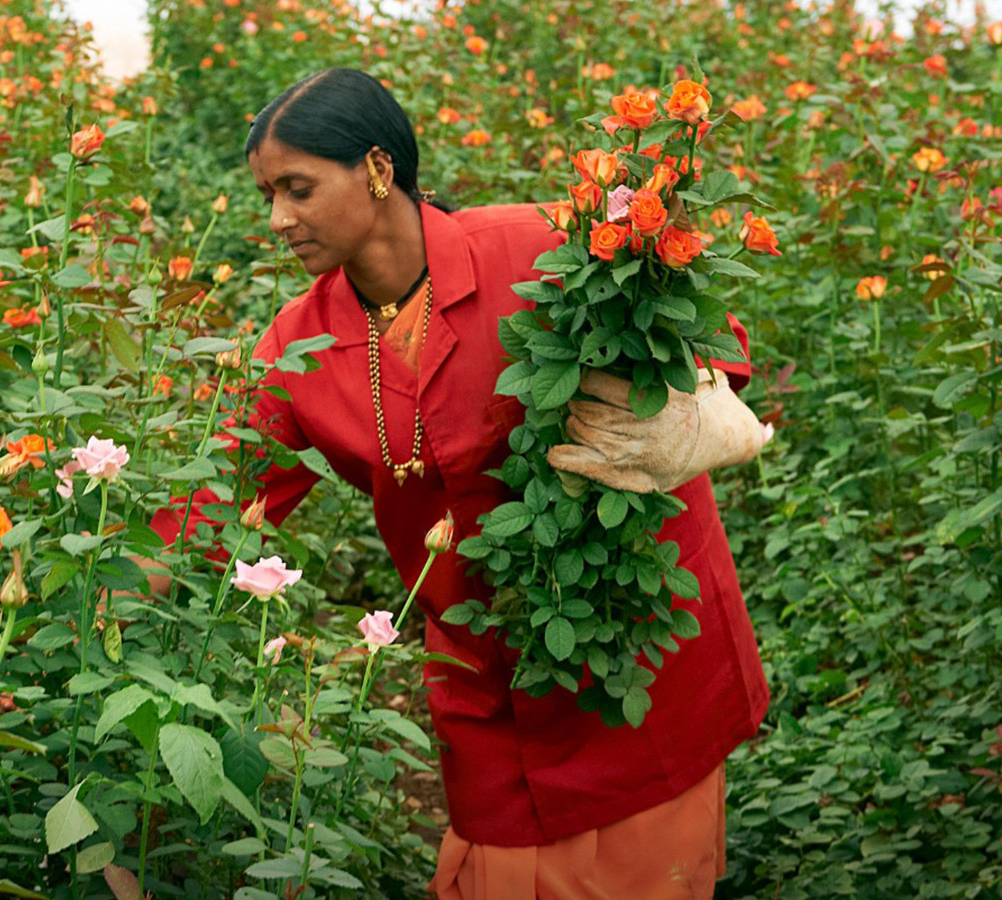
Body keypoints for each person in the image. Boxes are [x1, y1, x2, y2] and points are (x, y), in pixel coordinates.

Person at [150, 67, 769, 900]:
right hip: (487, 662)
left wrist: (683, 422)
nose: (277, 220)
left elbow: (715, 346)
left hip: (631, 636)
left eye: (298, 188)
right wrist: (103, 594)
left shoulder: (538, 249)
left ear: (377, 168)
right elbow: (211, 502)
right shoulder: (300, 346)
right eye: (268, 195)